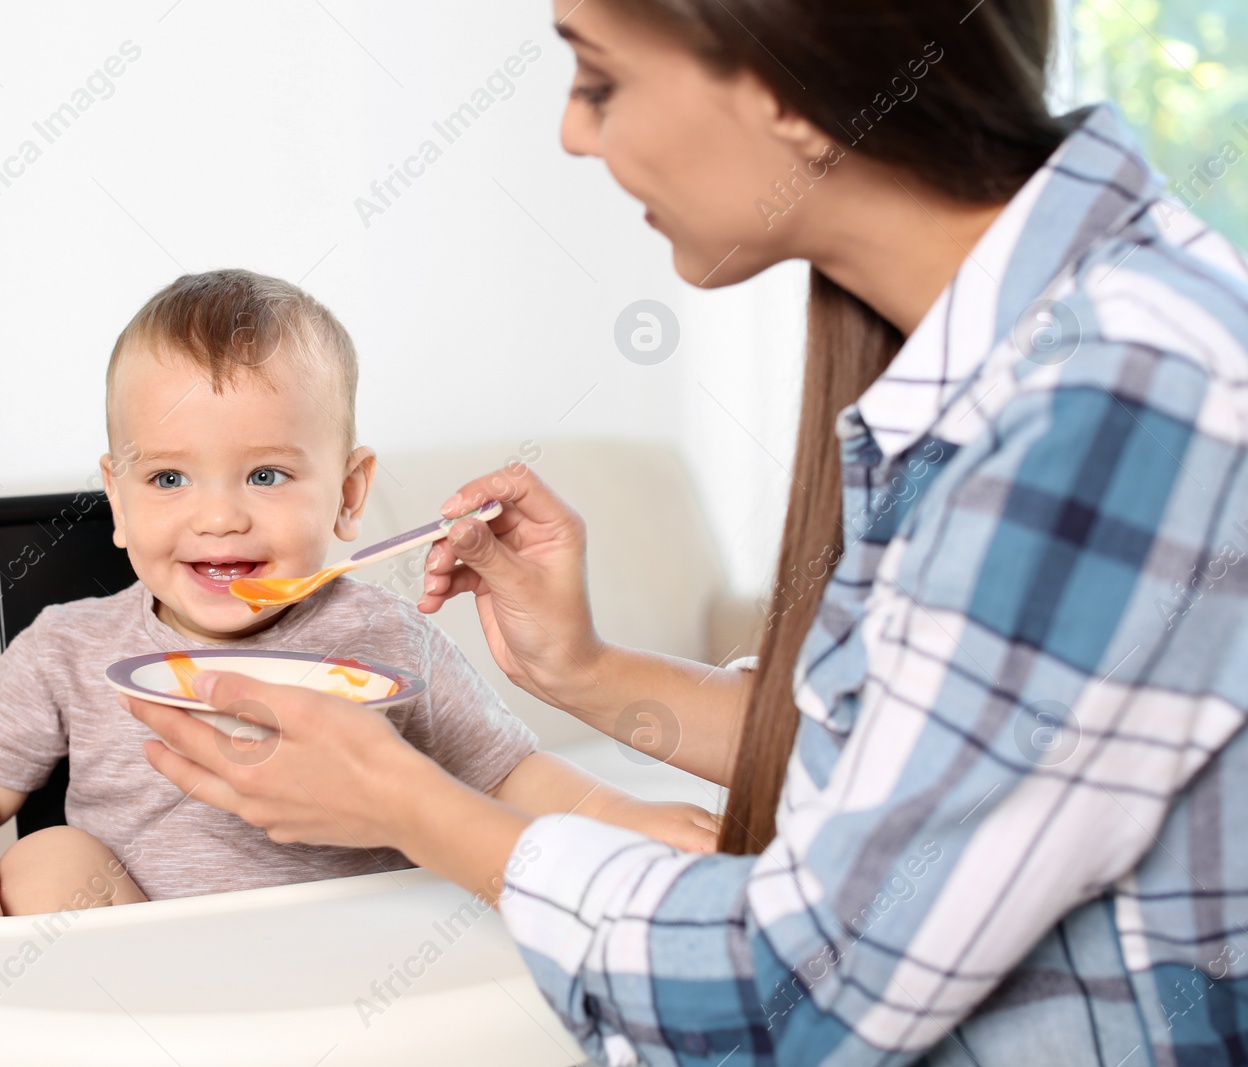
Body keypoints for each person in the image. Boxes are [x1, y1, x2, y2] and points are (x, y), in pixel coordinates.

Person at [118, 1, 1248, 1064]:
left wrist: (407, 804)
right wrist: (587, 671)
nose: (569, 131)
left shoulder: (1112, 402)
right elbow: (920, 760)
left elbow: (799, 993)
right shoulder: (993, 359)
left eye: (600, 78)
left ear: (787, 83)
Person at [0, 268, 720, 938]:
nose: (219, 515)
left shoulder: (384, 634)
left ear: (350, 494)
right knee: (45, 859)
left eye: (267, 474)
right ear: (118, 500)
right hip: (153, 991)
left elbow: (509, 774)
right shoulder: (67, 648)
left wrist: (624, 819)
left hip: (355, 987)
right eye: (168, 477)